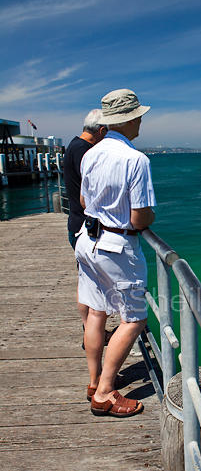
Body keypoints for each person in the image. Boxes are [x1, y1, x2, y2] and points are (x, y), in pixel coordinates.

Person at [75, 88, 156, 417]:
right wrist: (149, 218)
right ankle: (106, 393)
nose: (140, 121)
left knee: (96, 312)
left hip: (87, 240)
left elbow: (82, 202)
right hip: (116, 247)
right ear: (131, 119)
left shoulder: (90, 153)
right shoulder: (136, 160)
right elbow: (139, 218)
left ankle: (94, 381)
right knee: (134, 319)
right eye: (139, 116)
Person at [63, 110, 107, 337]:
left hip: (76, 222)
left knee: (86, 284)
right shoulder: (84, 151)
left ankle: (88, 329)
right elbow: (90, 191)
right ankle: (91, 332)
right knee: (94, 289)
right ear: (100, 131)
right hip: (85, 226)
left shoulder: (73, 145)